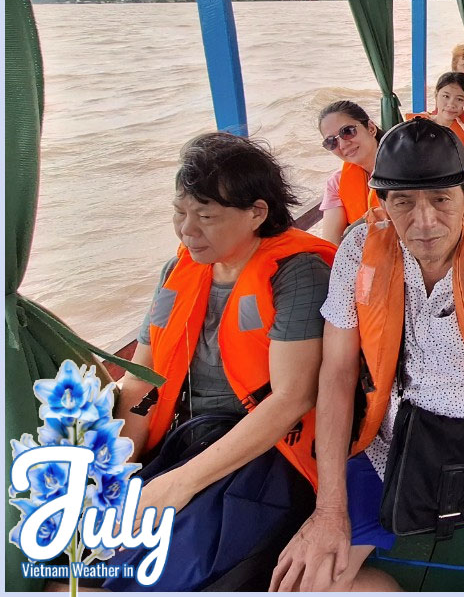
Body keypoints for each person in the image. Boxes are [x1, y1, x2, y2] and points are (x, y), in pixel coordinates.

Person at [271, 119, 464, 592]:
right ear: (381, 202)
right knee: (307, 586)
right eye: (403, 202)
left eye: (441, 199)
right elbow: (337, 374)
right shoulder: (359, 249)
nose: (424, 222)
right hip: (388, 437)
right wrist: (330, 507)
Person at [105, 133, 336, 591]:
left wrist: (179, 486)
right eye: (180, 212)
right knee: (79, 564)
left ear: (256, 213)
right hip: (181, 442)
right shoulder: (179, 271)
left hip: (266, 454)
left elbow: (291, 399)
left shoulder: (298, 273)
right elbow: (140, 384)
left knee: (169, 573)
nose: (187, 230)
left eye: (206, 217)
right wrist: (114, 469)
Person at [315, 101, 382, 243]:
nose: (343, 144)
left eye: (347, 131)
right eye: (331, 142)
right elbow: (332, 244)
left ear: (370, 128)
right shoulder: (336, 183)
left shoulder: (409, 167)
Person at [405, 71, 464, 164]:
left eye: (459, 99)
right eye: (446, 96)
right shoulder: (417, 126)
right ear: (436, 96)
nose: (451, 104)